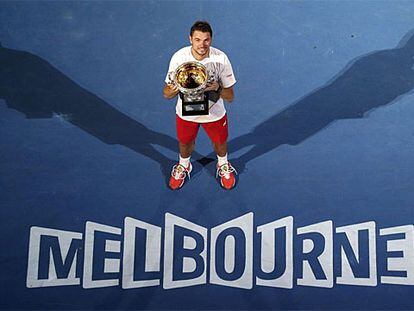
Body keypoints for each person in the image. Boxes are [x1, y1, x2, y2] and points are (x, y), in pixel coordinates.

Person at [163, 20, 237, 190]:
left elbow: (230, 96)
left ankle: (223, 164)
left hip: (214, 112)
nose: (202, 45)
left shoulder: (221, 59)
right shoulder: (179, 58)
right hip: (186, 112)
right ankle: (184, 165)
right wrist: (176, 88)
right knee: (185, 142)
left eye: (206, 40)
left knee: (220, 142)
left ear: (211, 39)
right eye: (197, 39)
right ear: (190, 39)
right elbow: (166, 94)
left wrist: (217, 87)